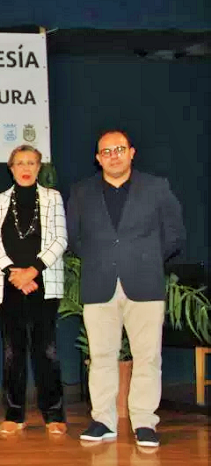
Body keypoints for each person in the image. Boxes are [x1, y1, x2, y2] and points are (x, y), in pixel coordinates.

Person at [68, 130, 185, 448]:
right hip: (99, 283)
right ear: (97, 158)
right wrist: (106, 259)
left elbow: (174, 234)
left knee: (148, 357)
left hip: (145, 283)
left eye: (119, 149)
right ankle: (103, 420)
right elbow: (75, 239)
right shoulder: (81, 192)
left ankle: (145, 422)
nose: (113, 156)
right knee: (101, 356)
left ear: (131, 152)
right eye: (106, 152)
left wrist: (144, 258)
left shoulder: (157, 188)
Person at [0, 145, 68, 436]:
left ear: (39, 166)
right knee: (11, 351)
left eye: (31, 162)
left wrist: (32, 271)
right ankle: (14, 414)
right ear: (11, 167)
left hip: (43, 283)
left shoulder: (53, 198)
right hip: (9, 285)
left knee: (46, 350)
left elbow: (60, 240)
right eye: (20, 163)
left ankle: (54, 414)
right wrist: (14, 274)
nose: (26, 167)